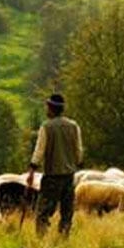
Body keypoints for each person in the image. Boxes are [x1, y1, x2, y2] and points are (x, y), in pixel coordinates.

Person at [27, 93, 83, 237]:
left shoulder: (46, 126)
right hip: (69, 176)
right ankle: (63, 239)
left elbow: (39, 151)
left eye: (47, 106)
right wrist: (76, 164)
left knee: (43, 212)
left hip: (52, 176)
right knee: (67, 212)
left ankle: (41, 241)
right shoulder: (73, 126)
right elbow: (79, 151)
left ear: (51, 108)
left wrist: (32, 170)